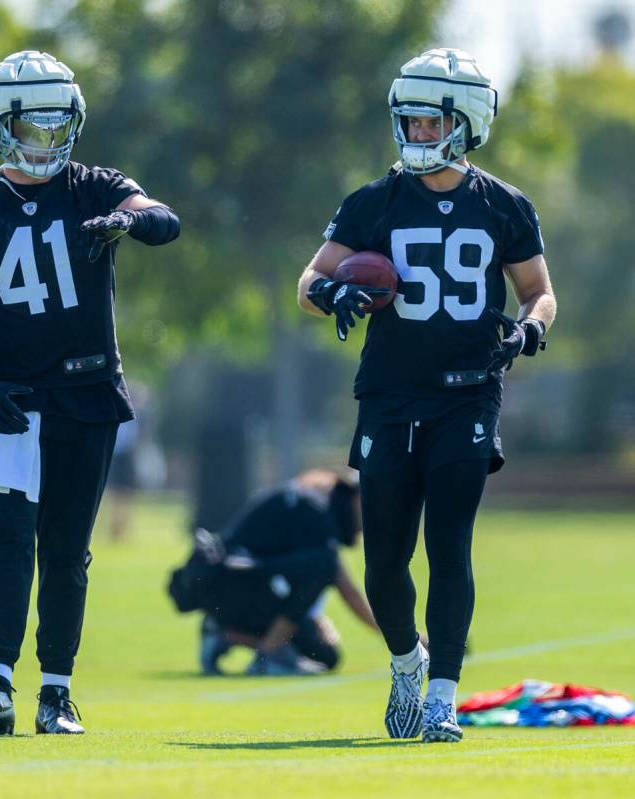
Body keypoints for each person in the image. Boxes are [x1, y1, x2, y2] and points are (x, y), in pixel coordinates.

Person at [297, 48, 556, 742]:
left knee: (449, 542)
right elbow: (307, 284)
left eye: (426, 120)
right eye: (406, 120)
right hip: (387, 394)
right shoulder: (371, 201)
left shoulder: (503, 204)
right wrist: (334, 291)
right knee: (383, 558)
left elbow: (538, 293)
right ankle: (405, 660)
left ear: (464, 121)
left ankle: (442, 692)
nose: (413, 132)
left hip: (467, 395)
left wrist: (529, 332)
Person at [0, 50, 179, 735]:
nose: (46, 140)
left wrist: (132, 220)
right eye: (30, 126)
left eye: (56, 125)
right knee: (9, 534)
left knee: (68, 547)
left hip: (88, 393)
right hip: (14, 399)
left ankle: (55, 692)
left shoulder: (95, 186)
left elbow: (161, 215)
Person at [169, 469, 383, 676]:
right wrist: (399, 637)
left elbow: (297, 575)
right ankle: (268, 655)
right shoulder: (314, 508)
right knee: (325, 565)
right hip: (231, 590)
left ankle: (224, 634)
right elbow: (339, 582)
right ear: (354, 496)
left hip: (244, 592)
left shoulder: (312, 507)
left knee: (325, 655)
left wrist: (316, 619)